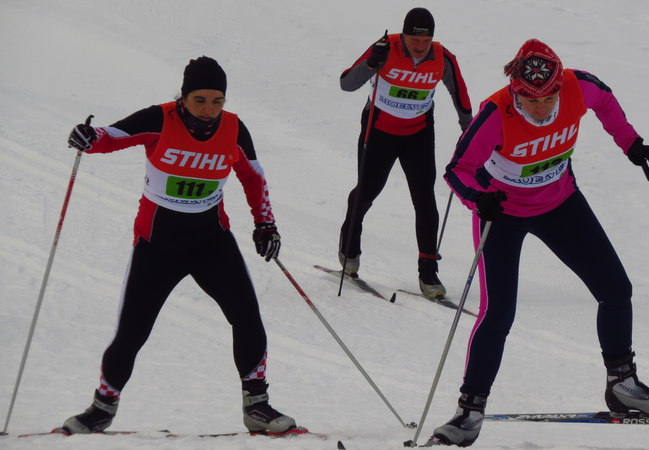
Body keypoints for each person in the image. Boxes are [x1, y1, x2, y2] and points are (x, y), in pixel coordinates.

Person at [430, 39, 649, 446]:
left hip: (560, 202)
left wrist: (631, 143)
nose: (542, 108)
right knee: (497, 313)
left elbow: (605, 101)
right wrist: (477, 198)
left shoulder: (577, 86)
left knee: (615, 289)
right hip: (503, 212)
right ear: (516, 91)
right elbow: (456, 170)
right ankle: (469, 410)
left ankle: (622, 384)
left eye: (549, 98)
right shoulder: (495, 112)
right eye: (531, 100)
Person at [60, 56, 297, 435]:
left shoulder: (234, 128)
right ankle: (101, 408)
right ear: (183, 97)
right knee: (132, 332)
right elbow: (112, 136)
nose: (208, 110)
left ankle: (257, 406)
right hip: (157, 244)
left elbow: (254, 177)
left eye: (217, 101)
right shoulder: (159, 119)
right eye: (199, 100)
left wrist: (265, 224)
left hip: (211, 240)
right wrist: (89, 138)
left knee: (247, 317)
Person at [338, 7, 473, 299]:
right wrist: (371, 63)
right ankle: (349, 246)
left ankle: (428, 270)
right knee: (368, 191)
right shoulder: (385, 48)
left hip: (418, 134)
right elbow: (346, 83)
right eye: (415, 40)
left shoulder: (443, 57)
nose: (421, 47)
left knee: (424, 199)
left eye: (426, 41)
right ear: (403, 36)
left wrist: (469, 129)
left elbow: (459, 92)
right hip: (379, 130)